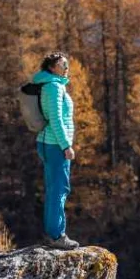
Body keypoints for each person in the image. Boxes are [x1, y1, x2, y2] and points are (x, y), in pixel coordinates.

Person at [31, 53, 80, 250]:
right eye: (62, 64)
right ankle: (56, 235)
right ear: (52, 67)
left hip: (50, 143)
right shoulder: (54, 87)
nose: (67, 66)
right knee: (59, 189)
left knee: (55, 188)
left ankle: (53, 233)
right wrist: (66, 145)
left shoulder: (51, 85)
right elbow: (56, 119)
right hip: (54, 144)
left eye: (67, 63)